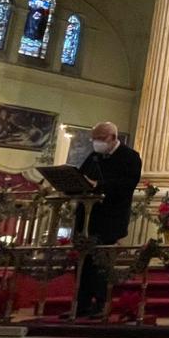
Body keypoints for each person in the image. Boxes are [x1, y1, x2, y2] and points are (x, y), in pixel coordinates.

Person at [73, 122, 142, 317]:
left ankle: (102, 303)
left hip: (111, 217)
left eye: (101, 139)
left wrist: (99, 185)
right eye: (94, 139)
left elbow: (128, 184)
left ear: (113, 137)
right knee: (84, 262)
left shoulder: (130, 157)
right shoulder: (94, 156)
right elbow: (81, 176)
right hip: (87, 217)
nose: (97, 143)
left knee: (102, 263)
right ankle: (81, 304)